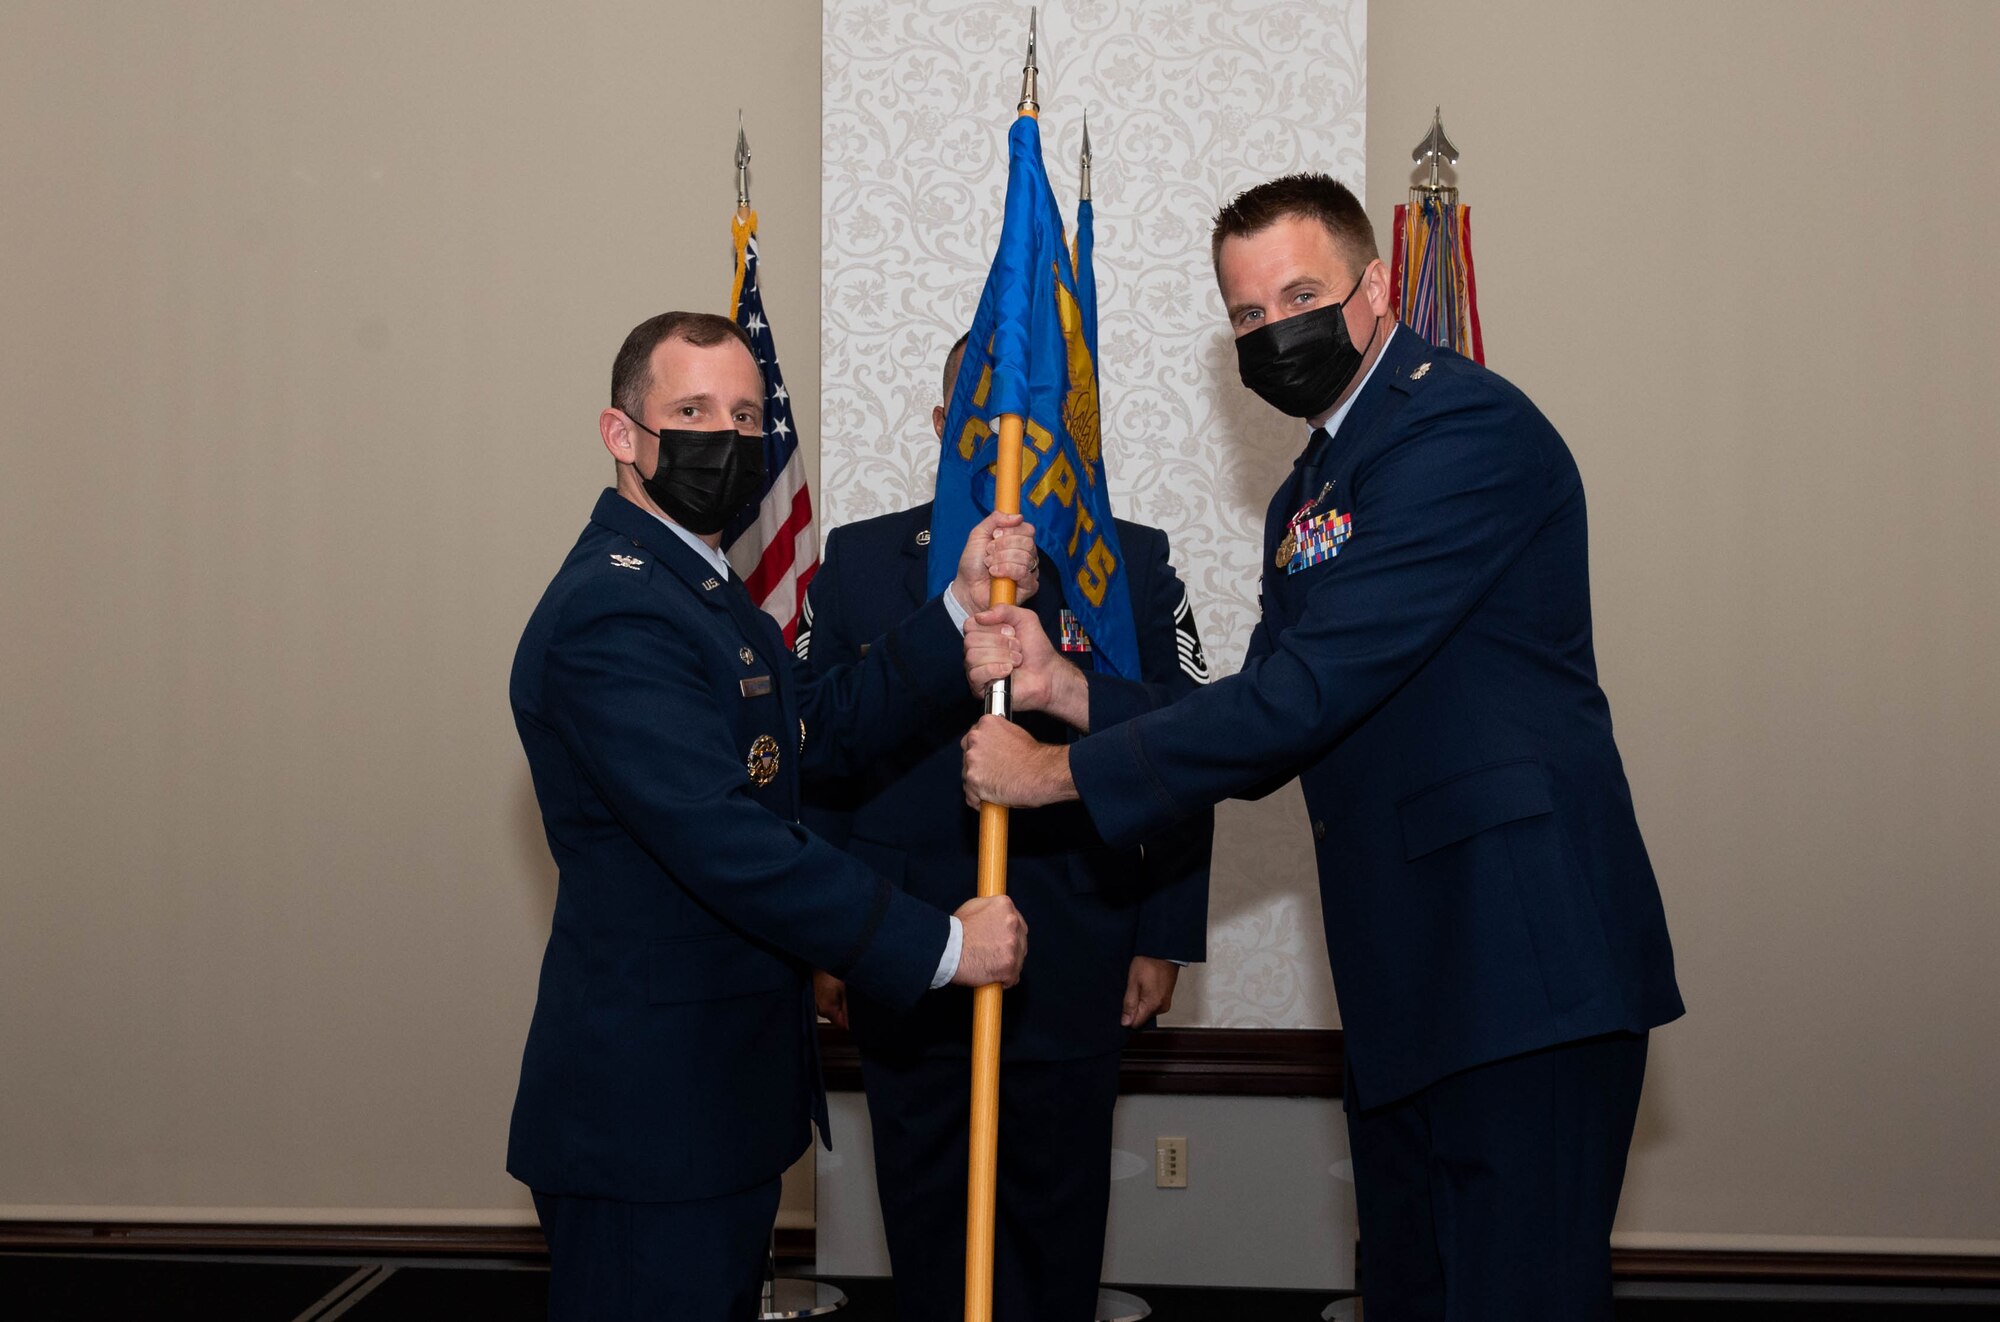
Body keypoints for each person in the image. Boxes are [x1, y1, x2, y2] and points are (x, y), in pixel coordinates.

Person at [961, 175, 1684, 1321]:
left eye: (1299, 295)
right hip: (1407, 978)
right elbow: (1264, 710)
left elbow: (1304, 694)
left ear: (1375, 285)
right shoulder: (1309, 486)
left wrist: (1052, 774)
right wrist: (1063, 688)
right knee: (1408, 1288)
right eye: (1246, 316)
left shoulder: (1459, 428)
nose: (1273, 330)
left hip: (1519, 962)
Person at [507, 311, 1032, 1322]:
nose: (728, 437)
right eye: (692, 410)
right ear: (622, 434)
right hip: (650, 1113)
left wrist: (958, 614)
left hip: (715, 1099)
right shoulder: (613, 610)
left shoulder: (699, 592)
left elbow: (805, 736)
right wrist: (935, 944)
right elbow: (725, 839)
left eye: (746, 414)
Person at [797, 335, 1213, 1322]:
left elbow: (1189, 754)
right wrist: (825, 937)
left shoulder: (1131, 566)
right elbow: (820, 756)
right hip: (906, 947)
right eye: (981, 424)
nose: (1006, 446)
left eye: (1031, 425)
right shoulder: (859, 563)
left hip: (1079, 945)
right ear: (944, 431)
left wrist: (1161, 933)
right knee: (930, 1219)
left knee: (1054, 1223)